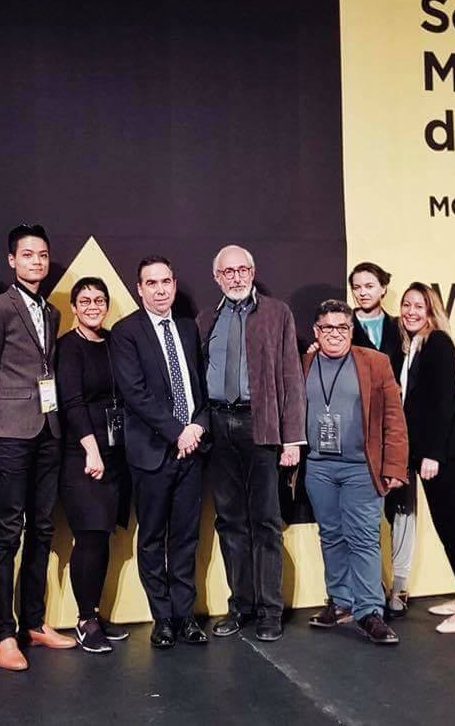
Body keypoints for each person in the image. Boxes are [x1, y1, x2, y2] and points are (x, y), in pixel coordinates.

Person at [0, 224, 75, 671]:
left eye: (43, 255)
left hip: (49, 430)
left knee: (42, 529)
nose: (37, 261)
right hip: (11, 433)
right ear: (12, 260)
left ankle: (33, 622)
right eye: (28, 254)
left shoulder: (51, 312)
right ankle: (2, 632)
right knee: (7, 532)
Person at [196, 245, 305, 642]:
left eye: (242, 270)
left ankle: (270, 611)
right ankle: (241, 605)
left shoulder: (277, 313)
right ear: (217, 277)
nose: (237, 277)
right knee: (230, 522)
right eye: (228, 272)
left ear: (253, 272)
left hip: (261, 425)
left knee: (266, 522)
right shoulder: (206, 319)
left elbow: (291, 377)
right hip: (217, 425)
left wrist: (292, 439)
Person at [111, 256, 210, 650]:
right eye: (151, 283)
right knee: (152, 538)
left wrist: (197, 426)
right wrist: (176, 433)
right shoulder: (126, 332)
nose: (160, 289)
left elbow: (202, 385)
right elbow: (134, 393)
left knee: (186, 537)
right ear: (139, 289)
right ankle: (163, 618)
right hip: (153, 452)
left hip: (193, 449)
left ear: (174, 283)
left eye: (165, 281)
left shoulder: (188, 328)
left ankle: (185, 615)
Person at [302, 300, 408, 644]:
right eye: (327, 328)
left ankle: (369, 610)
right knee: (331, 536)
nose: (335, 334)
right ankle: (341, 602)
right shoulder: (305, 362)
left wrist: (394, 465)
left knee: (363, 538)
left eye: (342, 327)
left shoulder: (375, 363)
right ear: (316, 331)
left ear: (351, 330)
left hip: (362, 468)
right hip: (318, 467)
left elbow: (394, 418)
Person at [398, 282, 455, 633]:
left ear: (431, 311)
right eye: (406, 305)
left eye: (418, 306)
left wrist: (432, 454)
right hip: (434, 452)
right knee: (450, 527)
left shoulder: (438, 343)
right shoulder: (415, 345)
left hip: (446, 453)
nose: (411, 312)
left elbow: (442, 403)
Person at [57, 277, 132, 654]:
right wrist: (91, 450)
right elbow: (71, 402)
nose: (92, 306)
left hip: (115, 452)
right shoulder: (67, 348)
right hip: (82, 455)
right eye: (84, 301)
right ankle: (85, 619)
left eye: (99, 300)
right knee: (88, 535)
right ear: (73, 307)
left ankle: (95, 612)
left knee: (102, 535)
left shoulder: (114, 343)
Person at [348, 262, 412, 618]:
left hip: (398, 428)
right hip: (360, 433)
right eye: (357, 287)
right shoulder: (343, 326)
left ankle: (399, 586)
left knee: (402, 510)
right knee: (364, 515)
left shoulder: (400, 327)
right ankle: (371, 587)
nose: (363, 292)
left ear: (383, 288)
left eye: (369, 285)